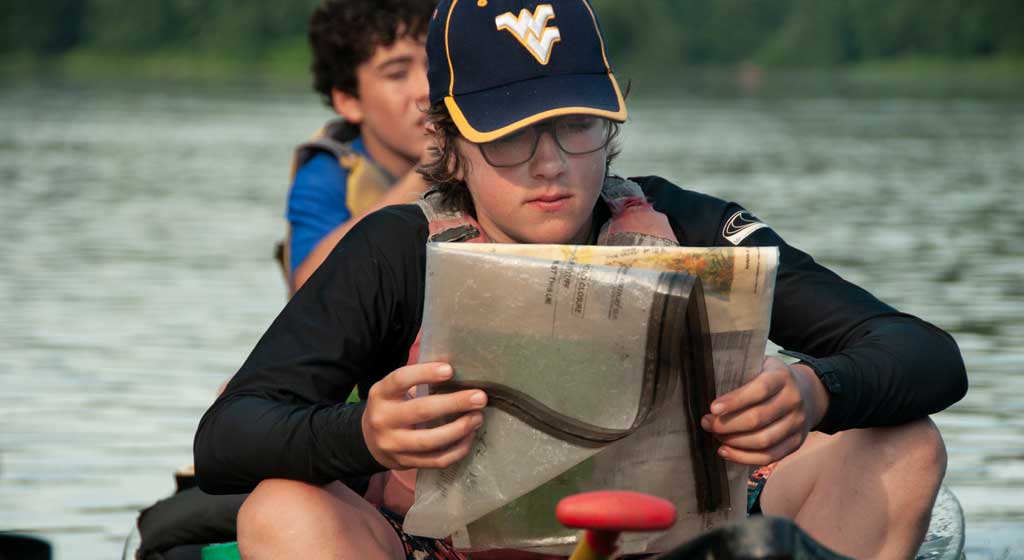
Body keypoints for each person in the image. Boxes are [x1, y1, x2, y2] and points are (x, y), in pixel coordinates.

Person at [194, 1, 968, 559]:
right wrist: (363, 433)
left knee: (902, 443)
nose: (551, 165)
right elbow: (227, 434)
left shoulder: (691, 224)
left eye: (576, 125)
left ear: (610, 121)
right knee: (281, 509)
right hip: (445, 552)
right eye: (510, 136)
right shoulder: (393, 249)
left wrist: (815, 391)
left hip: (679, 545)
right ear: (449, 143)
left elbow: (928, 354)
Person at [283, 0, 436, 293]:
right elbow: (307, 290)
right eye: (397, 74)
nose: (427, 89)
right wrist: (426, 173)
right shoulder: (326, 177)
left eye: (435, 64)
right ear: (349, 102)